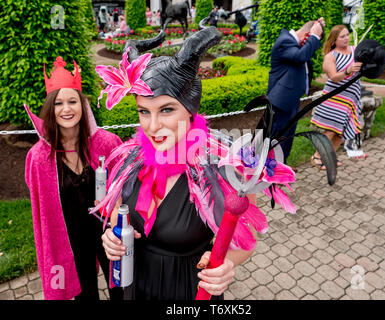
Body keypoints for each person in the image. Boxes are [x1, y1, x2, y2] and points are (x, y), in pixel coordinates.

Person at [94, 26, 296, 300]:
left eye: (166, 110)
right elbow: (115, 213)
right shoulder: (129, 160)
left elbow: (246, 242)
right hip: (133, 286)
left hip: (186, 290)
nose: (153, 126)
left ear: (190, 110)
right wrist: (111, 238)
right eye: (144, 111)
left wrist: (226, 264)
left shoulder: (225, 167)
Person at [24, 57, 123, 300]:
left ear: (83, 105)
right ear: (50, 109)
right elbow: (40, 208)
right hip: (70, 239)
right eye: (58, 103)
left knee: (122, 288)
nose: (66, 109)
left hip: (109, 234)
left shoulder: (106, 144)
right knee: (85, 293)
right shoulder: (39, 157)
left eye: (72, 101)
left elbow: (125, 189)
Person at [267, 18, 325, 164]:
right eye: (311, 40)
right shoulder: (285, 41)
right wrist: (314, 36)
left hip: (290, 99)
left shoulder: (292, 43)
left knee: (287, 139)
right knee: (276, 138)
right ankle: (264, 169)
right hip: (281, 100)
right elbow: (301, 57)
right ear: (306, 35)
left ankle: (280, 167)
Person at [310, 25, 363, 169]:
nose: (347, 38)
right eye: (342, 36)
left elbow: (371, 59)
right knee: (332, 130)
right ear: (334, 40)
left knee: (343, 131)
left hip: (352, 98)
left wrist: (383, 53)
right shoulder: (330, 56)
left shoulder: (355, 51)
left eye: (347, 35)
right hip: (335, 98)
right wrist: (348, 70)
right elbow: (333, 77)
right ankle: (317, 156)